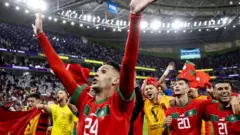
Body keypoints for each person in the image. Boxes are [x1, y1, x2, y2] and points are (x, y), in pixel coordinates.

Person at [32, 0, 154, 134]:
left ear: (116, 80)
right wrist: (41, 35)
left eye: (103, 71)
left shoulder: (120, 103)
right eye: (98, 71)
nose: (96, 74)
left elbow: (128, 64)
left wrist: (135, 17)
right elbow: (59, 70)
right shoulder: (85, 100)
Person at [163, 79, 240, 135]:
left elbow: (219, 100)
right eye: (175, 84)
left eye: (180, 84)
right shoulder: (169, 110)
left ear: (188, 89)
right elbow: (165, 133)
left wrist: (234, 98)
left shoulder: (200, 104)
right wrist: (166, 126)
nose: (177, 86)